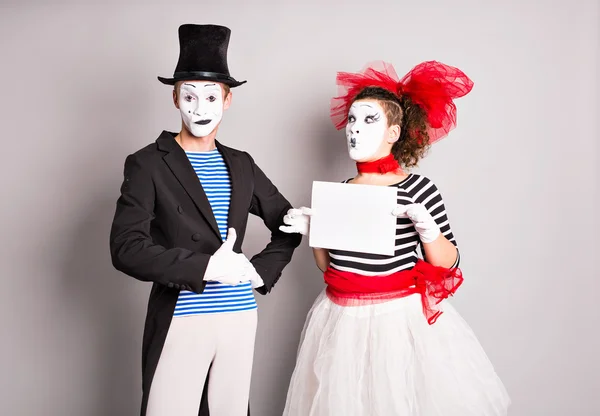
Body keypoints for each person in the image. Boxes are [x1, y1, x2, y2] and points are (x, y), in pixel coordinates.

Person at [279, 60, 511, 415]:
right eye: (352, 120)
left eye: (369, 120)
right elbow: (329, 268)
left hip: (395, 320)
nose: (354, 130)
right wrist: (316, 234)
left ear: (393, 132)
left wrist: (427, 227)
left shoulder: (418, 187)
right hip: (341, 319)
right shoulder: (342, 190)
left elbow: (449, 263)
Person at [109, 24, 302, 416]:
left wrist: (258, 272)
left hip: (239, 317)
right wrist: (206, 266)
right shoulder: (148, 162)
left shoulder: (241, 164)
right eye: (190, 96)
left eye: (211, 97)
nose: (200, 109)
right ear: (175, 97)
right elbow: (126, 248)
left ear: (227, 100)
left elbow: (287, 224)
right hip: (183, 315)